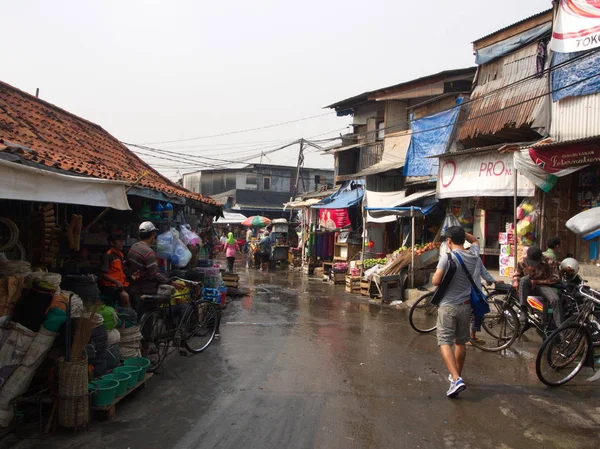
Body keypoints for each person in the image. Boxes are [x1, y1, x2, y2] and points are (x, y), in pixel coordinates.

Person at [432, 227, 481, 398]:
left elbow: (436, 281)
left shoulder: (448, 257)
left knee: (444, 341)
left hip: (447, 306)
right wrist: (461, 231)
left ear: (449, 241)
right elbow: (475, 240)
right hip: (466, 306)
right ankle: (456, 377)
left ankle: (456, 378)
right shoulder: (474, 254)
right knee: (460, 342)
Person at [126, 221, 171, 312]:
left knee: (138, 315)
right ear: (153, 235)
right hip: (145, 290)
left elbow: (127, 265)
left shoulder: (134, 246)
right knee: (147, 318)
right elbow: (154, 274)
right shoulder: (149, 252)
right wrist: (170, 282)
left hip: (133, 288)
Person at [513, 246, 562, 329]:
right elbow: (517, 273)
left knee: (555, 299)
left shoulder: (549, 261)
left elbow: (556, 278)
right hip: (527, 286)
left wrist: (538, 281)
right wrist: (516, 280)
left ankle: (560, 328)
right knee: (524, 279)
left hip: (543, 286)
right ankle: (523, 309)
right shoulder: (522, 261)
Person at [99, 234, 131, 308]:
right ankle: (128, 316)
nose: (122, 243)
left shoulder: (120, 254)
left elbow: (122, 270)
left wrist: (131, 276)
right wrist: (116, 282)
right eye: (119, 241)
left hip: (120, 285)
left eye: (122, 241)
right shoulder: (107, 255)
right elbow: (104, 274)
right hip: (110, 286)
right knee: (124, 296)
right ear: (112, 243)